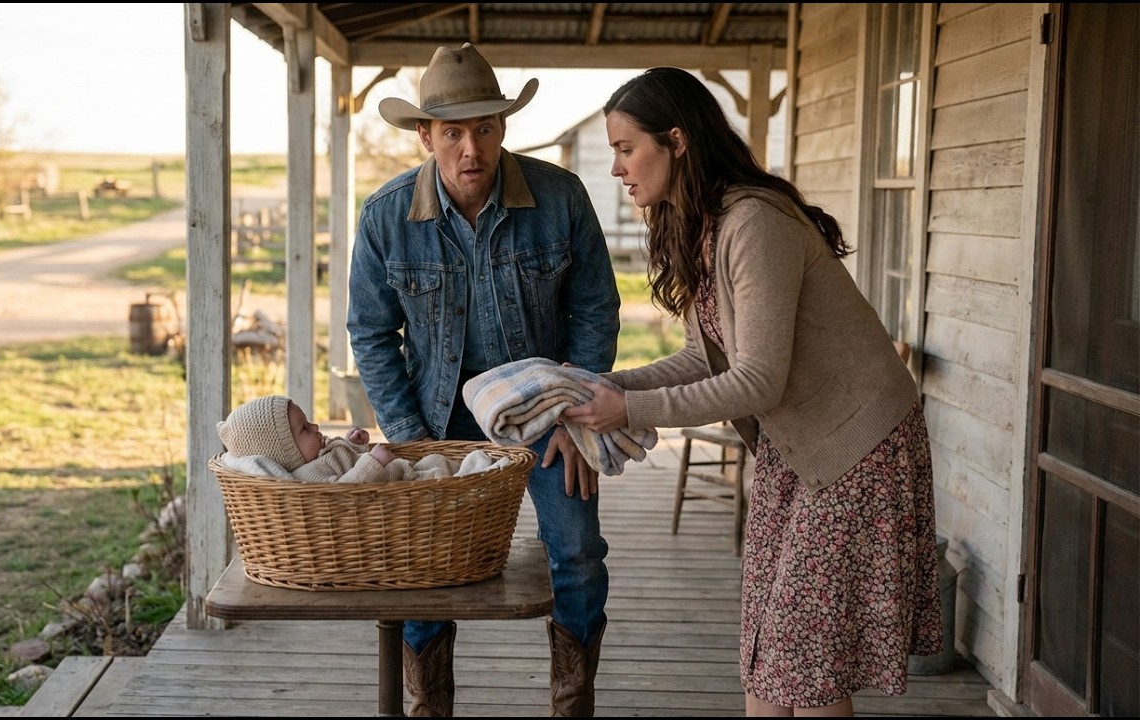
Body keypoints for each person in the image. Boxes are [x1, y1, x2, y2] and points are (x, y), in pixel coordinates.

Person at [561, 67, 943, 717]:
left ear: (677, 141)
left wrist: (631, 408)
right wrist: (608, 383)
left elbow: (756, 377)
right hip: (792, 451)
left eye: (627, 149)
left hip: (858, 447)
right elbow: (699, 357)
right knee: (768, 651)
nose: (618, 168)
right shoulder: (701, 227)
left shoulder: (753, 223)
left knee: (807, 660)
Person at [346, 43, 622, 716]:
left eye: (485, 129)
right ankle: (429, 704)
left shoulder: (561, 198)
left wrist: (573, 410)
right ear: (425, 135)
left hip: (542, 411)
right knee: (423, 565)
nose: (471, 148)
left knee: (578, 548)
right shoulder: (386, 217)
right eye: (453, 133)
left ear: (503, 127)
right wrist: (410, 439)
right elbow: (372, 334)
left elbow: (595, 309)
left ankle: (571, 699)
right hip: (437, 416)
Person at [217, 395, 506, 484]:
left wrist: (352, 442)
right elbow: (345, 491)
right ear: (284, 451)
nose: (316, 426)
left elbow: (344, 458)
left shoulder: (317, 454)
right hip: (395, 483)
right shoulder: (308, 474)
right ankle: (477, 472)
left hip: (399, 471)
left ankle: (473, 468)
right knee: (435, 468)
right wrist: (371, 461)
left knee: (435, 460)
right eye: (305, 429)